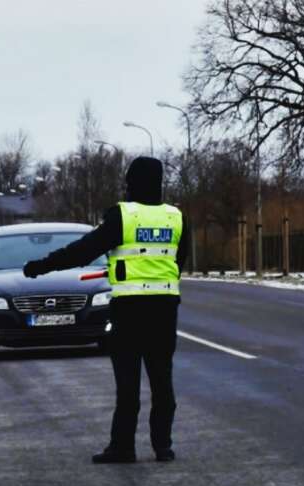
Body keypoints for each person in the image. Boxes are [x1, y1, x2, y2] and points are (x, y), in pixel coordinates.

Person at [23, 156, 188, 464]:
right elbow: (179, 262)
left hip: (129, 311)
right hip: (165, 309)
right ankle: (162, 445)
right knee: (162, 381)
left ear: (132, 182)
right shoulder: (175, 217)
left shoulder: (122, 216)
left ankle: (123, 447)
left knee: (128, 383)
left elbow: (83, 251)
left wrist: (41, 266)